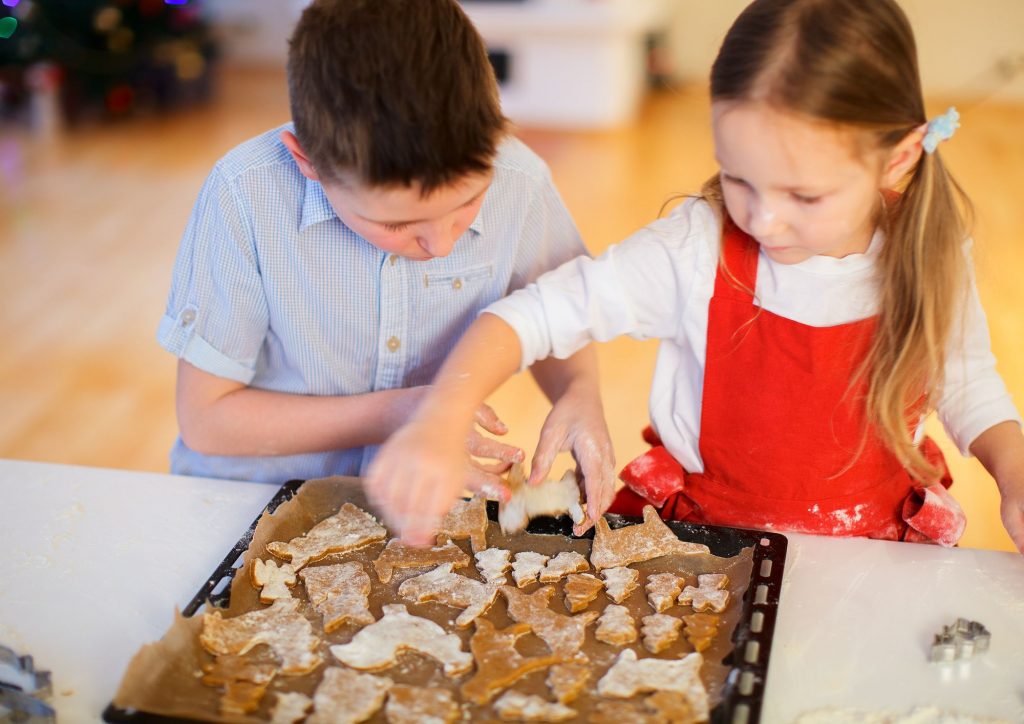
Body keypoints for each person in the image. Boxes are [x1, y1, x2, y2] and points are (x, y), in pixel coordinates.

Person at [366, 0, 1024, 555]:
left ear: (899, 158)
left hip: (872, 551)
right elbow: (528, 315)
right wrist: (439, 418)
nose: (764, 219)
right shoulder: (695, 248)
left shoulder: (930, 248)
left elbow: (965, 382)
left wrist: (1015, 474)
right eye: (738, 178)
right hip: (706, 547)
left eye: (805, 196)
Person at [156, 0, 603, 495]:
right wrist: (408, 412)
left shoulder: (520, 181)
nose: (441, 243)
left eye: (469, 202)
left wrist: (579, 392)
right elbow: (207, 420)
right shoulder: (244, 197)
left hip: (416, 499)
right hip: (248, 497)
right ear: (307, 161)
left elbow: (559, 311)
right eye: (398, 223)